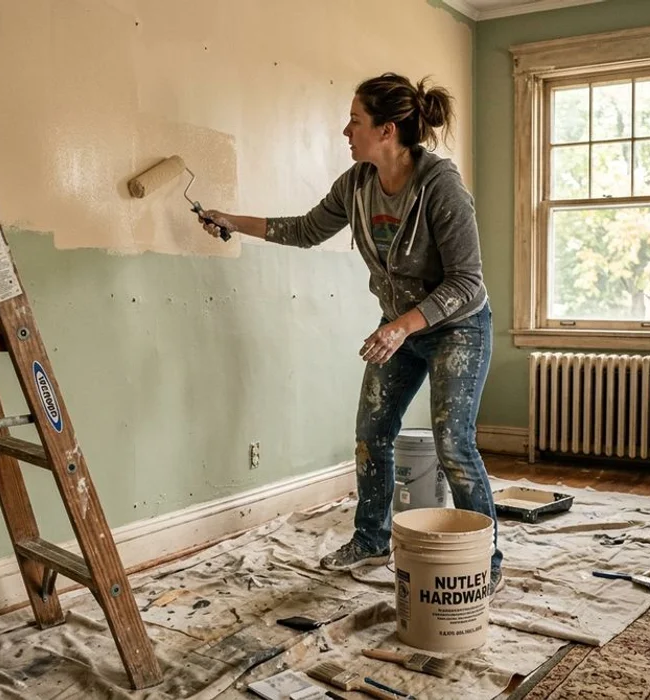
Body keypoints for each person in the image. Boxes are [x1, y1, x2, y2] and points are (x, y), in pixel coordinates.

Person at [195, 73, 502, 593]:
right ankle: (371, 539)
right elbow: (305, 229)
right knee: (371, 433)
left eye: (355, 121)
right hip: (399, 326)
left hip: (458, 327)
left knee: (453, 442)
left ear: (386, 130)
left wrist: (402, 327)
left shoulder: (440, 186)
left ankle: (484, 559)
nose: (346, 131)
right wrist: (232, 220)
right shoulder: (357, 184)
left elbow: (466, 282)